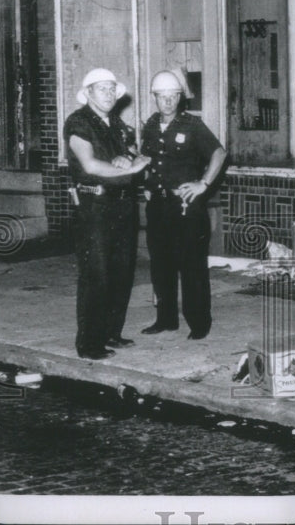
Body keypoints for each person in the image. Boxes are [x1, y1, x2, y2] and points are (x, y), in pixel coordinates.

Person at [64, 68, 150, 360]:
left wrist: (127, 157)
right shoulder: (78, 123)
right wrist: (132, 167)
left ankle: (112, 332)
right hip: (95, 207)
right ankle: (89, 344)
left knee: (121, 272)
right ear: (88, 93)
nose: (110, 94)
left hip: (122, 204)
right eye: (102, 89)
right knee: (96, 274)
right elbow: (89, 165)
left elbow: (133, 151)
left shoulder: (115, 123)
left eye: (112, 89)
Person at [140, 70, 227, 340]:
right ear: (154, 97)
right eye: (162, 97)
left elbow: (219, 153)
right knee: (161, 265)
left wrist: (203, 183)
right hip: (159, 207)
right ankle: (165, 319)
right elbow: (146, 157)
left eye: (172, 96)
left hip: (186, 208)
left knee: (191, 266)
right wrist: (147, 186)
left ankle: (199, 323)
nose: (167, 102)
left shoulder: (192, 125)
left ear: (179, 97)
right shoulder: (151, 125)